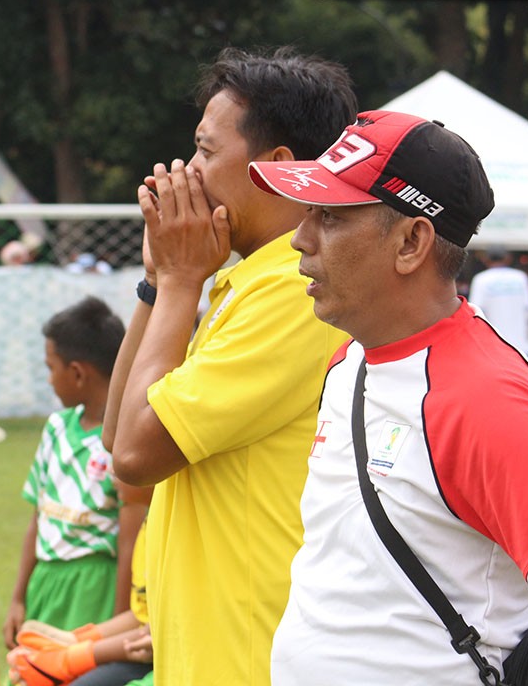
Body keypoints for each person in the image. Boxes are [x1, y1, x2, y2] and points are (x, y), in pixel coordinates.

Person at [248, 109, 528, 684]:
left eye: (330, 217)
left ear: (411, 242)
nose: (300, 239)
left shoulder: (478, 393)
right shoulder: (350, 360)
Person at [103, 46, 357, 685]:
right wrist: (159, 282)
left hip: (251, 655)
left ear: (276, 168)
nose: (187, 172)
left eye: (206, 152)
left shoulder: (298, 292)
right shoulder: (246, 281)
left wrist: (183, 278)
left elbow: (136, 452)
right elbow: (116, 437)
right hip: (209, 650)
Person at [3, 296, 128, 653]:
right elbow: (38, 517)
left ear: (76, 372)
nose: (49, 379)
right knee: (29, 669)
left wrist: (116, 628)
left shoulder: (124, 443)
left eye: (50, 367)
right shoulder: (56, 428)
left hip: (94, 586)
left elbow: (129, 540)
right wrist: (18, 598)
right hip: (45, 581)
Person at [8, 482, 155, 686]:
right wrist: (74, 640)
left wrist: (69, 659)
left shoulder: (175, 534)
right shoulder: (151, 528)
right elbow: (143, 617)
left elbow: (157, 636)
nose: (111, 472)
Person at [467, 245, 528, 354]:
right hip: (520, 347)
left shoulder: (481, 279)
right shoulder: (521, 278)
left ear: (486, 260)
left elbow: (475, 313)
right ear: (508, 258)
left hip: (492, 348)